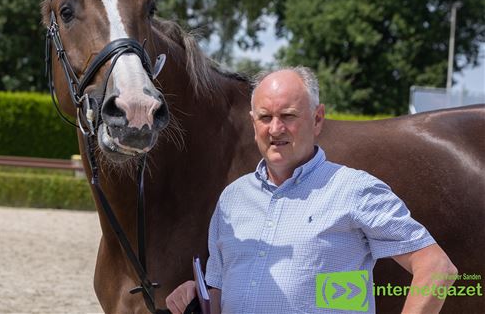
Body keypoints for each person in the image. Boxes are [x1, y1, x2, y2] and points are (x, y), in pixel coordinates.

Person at [166, 67, 457, 314]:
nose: (275, 128)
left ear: (317, 120)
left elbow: (437, 268)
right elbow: (218, 296)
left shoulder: (354, 189)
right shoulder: (232, 199)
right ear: (253, 122)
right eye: (265, 117)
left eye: (288, 116)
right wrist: (194, 296)